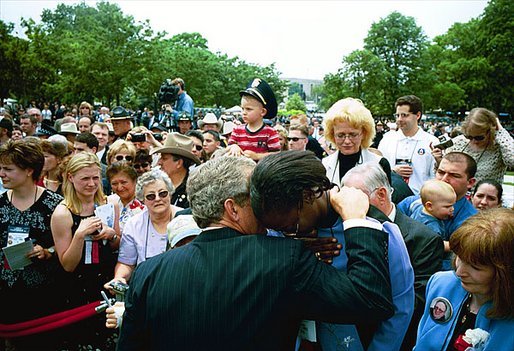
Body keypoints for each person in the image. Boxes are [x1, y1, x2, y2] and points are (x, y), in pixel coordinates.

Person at [116, 156, 394, 350]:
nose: (267, 206)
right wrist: (357, 221)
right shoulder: (285, 259)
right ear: (232, 208)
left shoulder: (149, 273)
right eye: (257, 197)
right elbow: (370, 300)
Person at [251, 151, 413, 351]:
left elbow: (400, 308)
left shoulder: (376, 229)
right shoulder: (283, 232)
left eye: (292, 226)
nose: (288, 235)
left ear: (309, 196)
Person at [341, 163, 444, 351]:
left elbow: (416, 302)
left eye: (356, 197)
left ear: (381, 194)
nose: (347, 205)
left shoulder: (423, 239)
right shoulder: (346, 227)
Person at [414, 208, 514, 351]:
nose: (459, 272)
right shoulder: (441, 284)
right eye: (460, 257)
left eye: (475, 267)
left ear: (506, 273)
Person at [0, 140, 66, 350]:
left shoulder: (55, 205)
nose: (2, 174)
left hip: (43, 298)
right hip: (4, 295)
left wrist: (48, 252)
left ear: (29, 170)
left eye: (8, 169)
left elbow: (68, 246)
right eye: (1, 168)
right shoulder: (0, 203)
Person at [50, 152, 120, 349]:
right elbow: (68, 265)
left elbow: (117, 245)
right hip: (76, 291)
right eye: (85, 178)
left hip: (105, 283)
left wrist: (111, 234)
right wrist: (79, 235)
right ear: (70, 178)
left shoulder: (109, 203)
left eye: (96, 178)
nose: (91, 184)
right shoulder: (62, 213)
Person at [104, 168, 179, 293]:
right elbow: (126, 263)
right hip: (147, 289)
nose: (157, 199)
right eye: (150, 196)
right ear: (142, 200)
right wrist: (119, 278)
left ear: (170, 193)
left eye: (163, 194)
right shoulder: (134, 224)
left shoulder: (185, 218)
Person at [399, 152, 477, 252]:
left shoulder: (471, 221)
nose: (444, 179)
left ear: (470, 182)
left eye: (454, 175)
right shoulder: (411, 203)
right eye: (441, 172)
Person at [433, 107, 514, 185]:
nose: (474, 141)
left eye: (479, 137)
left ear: (491, 131)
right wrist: (439, 160)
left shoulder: (499, 146)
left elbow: (512, 161)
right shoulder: (458, 142)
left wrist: (501, 131)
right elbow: (445, 173)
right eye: (469, 136)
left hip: (485, 197)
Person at [322, 98, 390, 187]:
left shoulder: (379, 164)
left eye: (353, 135)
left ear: (364, 134)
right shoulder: (325, 165)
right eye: (340, 135)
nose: (347, 141)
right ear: (332, 135)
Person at [378, 95, 439, 194]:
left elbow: (435, 176)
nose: (399, 119)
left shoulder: (431, 142)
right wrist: (392, 172)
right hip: (391, 199)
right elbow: (377, 171)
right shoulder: (387, 140)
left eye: (404, 115)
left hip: (420, 200)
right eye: (397, 115)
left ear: (418, 115)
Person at [227, 78, 281, 161]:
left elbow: (276, 155)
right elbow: (230, 145)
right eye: (242, 108)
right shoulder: (237, 130)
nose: (244, 112)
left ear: (262, 112)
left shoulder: (270, 133)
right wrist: (234, 146)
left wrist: (257, 156)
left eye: (249, 109)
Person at [150, 133, 201, 208]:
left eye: (164, 158)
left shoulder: (193, 191)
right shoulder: (156, 184)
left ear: (179, 163)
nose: (159, 162)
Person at [107, 162, 145, 232]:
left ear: (134, 181)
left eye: (123, 182)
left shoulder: (145, 204)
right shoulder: (109, 202)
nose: (119, 188)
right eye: (114, 184)